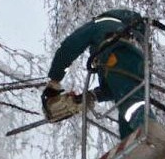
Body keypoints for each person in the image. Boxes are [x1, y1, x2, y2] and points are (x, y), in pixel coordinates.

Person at [43, 9, 149, 139]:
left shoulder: (101, 23)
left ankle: (149, 134)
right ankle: (134, 143)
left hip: (116, 55)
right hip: (140, 68)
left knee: (131, 104)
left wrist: (54, 80)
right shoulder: (133, 38)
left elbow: (69, 47)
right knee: (127, 103)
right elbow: (114, 87)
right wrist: (92, 96)